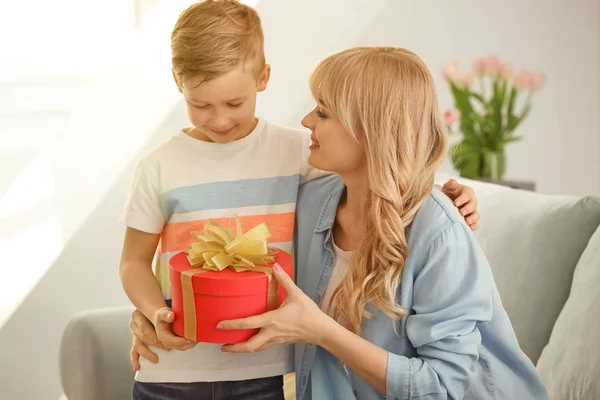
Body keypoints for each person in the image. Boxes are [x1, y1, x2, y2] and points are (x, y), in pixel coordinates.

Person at [121, 0, 480, 398]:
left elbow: (385, 164)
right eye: (201, 105)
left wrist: (448, 189)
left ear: (263, 78)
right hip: (173, 367)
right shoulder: (158, 166)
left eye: (234, 104)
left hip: (267, 367)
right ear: (177, 82)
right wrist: (154, 313)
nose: (219, 120)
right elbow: (134, 261)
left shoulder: (298, 154)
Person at [215, 47, 549, 399]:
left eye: (323, 112)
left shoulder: (440, 234)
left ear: (371, 130)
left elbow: (443, 387)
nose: (306, 121)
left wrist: (320, 330)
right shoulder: (311, 202)